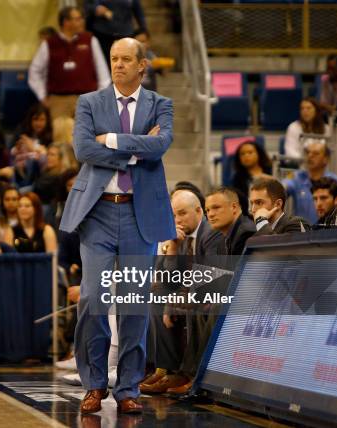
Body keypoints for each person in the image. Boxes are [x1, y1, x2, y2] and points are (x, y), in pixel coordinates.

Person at [58, 38, 174, 414]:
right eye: (114, 59)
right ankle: (94, 384)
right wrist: (136, 149)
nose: (118, 65)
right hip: (99, 213)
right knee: (92, 297)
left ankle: (128, 388)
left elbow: (162, 146)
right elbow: (83, 150)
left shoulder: (161, 104)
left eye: (126, 59)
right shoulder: (89, 102)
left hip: (141, 214)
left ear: (142, 65)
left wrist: (111, 140)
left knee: (134, 304)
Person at [143, 190, 222, 395]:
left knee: (167, 299)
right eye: (173, 215)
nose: (177, 220)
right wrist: (174, 247)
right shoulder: (181, 236)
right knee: (155, 295)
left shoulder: (210, 233)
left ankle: (185, 373)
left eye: (182, 213)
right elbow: (168, 281)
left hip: (213, 290)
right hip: (194, 290)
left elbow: (210, 278)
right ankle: (166, 368)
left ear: (198, 211)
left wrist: (175, 299)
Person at [28, 6, 111, 120]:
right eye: (77, 19)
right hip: (59, 101)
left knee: (87, 136)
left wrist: (99, 96)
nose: (82, 21)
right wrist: (42, 97)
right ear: (66, 22)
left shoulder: (90, 40)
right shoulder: (49, 44)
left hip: (87, 99)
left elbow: (103, 71)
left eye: (81, 18)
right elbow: (35, 71)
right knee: (61, 136)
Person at [284, 142, 337, 224]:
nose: (310, 156)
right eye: (307, 152)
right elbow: (281, 188)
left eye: (316, 153)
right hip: (302, 233)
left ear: (326, 159)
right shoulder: (295, 176)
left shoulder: (336, 181)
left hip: (330, 232)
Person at [85, 0, 147, 64]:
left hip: (125, 34)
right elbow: (88, 6)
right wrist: (95, 8)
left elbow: (139, 12)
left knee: (126, 62)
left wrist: (143, 30)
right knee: (104, 64)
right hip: (103, 35)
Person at [205, 187, 255, 255]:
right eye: (207, 210)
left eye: (216, 207)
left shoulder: (247, 234)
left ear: (234, 207)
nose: (210, 214)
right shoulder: (222, 239)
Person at [231, 140, 273, 214]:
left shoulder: (271, 171)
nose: (246, 156)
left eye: (250, 152)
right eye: (242, 154)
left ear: (258, 154)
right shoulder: (237, 177)